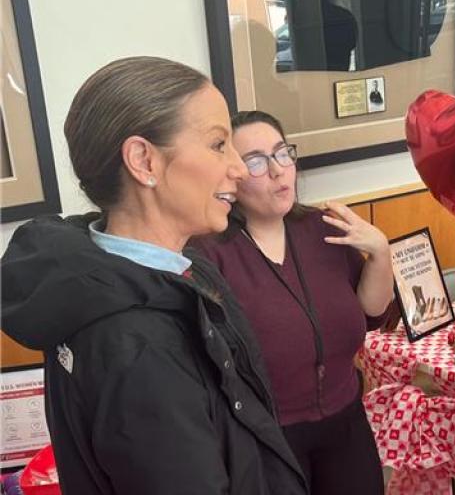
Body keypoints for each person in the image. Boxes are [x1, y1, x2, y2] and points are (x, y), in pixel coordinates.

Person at [0, 57, 307, 494]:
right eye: (219, 144)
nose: (238, 168)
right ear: (144, 161)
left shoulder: (169, 274)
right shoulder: (135, 342)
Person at [191, 110, 394, 495]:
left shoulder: (324, 228)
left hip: (346, 422)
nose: (277, 170)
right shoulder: (210, 253)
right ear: (230, 174)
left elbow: (372, 314)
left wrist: (380, 254)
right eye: (255, 161)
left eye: (282, 153)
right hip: (267, 436)